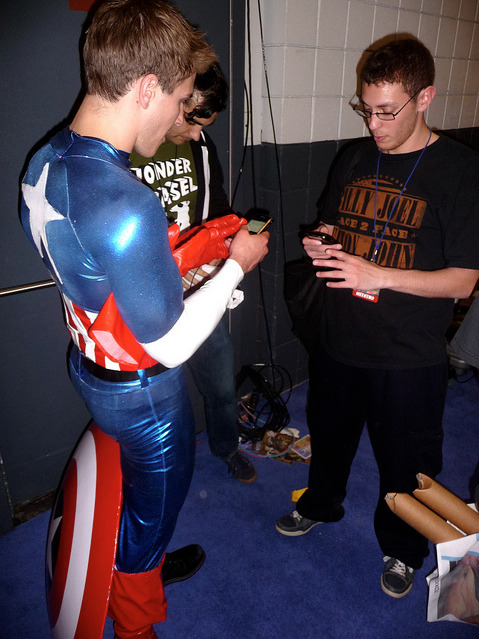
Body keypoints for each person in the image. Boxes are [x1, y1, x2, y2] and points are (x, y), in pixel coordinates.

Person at [20, 1, 268, 638]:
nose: (182, 115)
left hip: (91, 368)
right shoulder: (126, 204)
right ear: (148, 87)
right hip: (145, 395)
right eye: (181, 97)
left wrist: (205, 244)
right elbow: (176, 339)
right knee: (152, 521)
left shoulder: (43, 163)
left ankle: (137, 568)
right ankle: (136, 617)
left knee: (128, 498)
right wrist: (237, 263)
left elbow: (104, 277)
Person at [275, 37, 479, 600]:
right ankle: (320, 504)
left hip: (408, 354)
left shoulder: (461, 170)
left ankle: (403, 549)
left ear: (425, 98)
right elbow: (330, 226)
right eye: (366, 108)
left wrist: (378, 276)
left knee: (407, 461)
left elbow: (464, 279)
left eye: (388, 110)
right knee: (330, 438)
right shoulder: (356, 156)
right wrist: (320, 243)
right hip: (339, 340)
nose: (374, 123)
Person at [130, 62, 257, 483]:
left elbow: (215, 211)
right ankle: (155, 474)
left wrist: (227, 254)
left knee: (221, 386)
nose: (198, 134)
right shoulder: (121, 149)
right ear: (173, 101)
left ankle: (226, 448)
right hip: (144, 295)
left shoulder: (201, 147)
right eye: (193, 122)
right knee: (155, 399)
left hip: (199, 286)